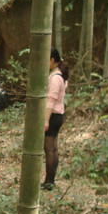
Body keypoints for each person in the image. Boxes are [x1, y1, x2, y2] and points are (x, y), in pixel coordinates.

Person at [42, 48, 69, 191]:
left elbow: (51, 100)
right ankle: (50, 180)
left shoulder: (55, 78)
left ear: (52, 60)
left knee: (49, 149)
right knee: (53, 149)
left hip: (53, 115)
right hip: (58, 115)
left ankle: (49, 181)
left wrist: (46, 120)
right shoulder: (60, 76)